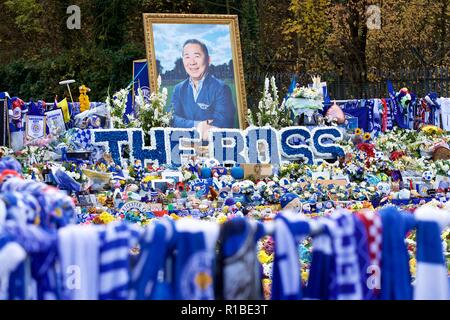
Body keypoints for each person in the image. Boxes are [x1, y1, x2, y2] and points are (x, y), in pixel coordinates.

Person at [170, 39, 236, 140]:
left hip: (214, 150)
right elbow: (171, 119)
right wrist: (197, 125)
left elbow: (222, 124)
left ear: (208, 59)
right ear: (183, 61)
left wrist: (184, 125)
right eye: (187, 57)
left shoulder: (221, 89)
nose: (192, 62)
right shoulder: (178, 89)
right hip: (184, 149)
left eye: (197, 56)